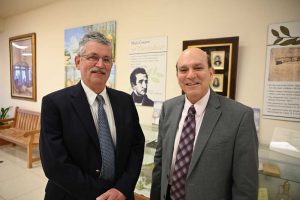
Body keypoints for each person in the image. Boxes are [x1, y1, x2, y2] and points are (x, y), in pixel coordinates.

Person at [40, 32, 145, 200]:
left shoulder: (125, 101)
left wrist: (122, 188)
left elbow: (137, 146)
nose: (100, 64)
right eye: (93, 57)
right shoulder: (55, 104)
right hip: (71, 195)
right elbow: (55, 164)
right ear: (77, 62)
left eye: (107, 59)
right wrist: (101, 194)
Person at [150, 47, 258, 200]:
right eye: (183, 69)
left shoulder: (240, 117)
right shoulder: (168, 108)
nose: (191, 75)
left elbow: (245, 187)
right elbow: (160, 162)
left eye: (198, 67)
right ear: (177, 75)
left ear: (211, 72)